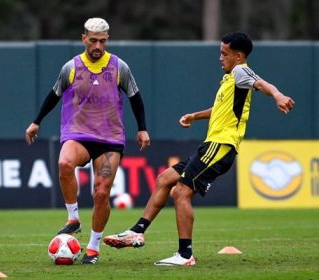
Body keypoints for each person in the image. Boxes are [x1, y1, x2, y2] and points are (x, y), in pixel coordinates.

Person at [103, 31, 295, 266]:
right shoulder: (230, 79)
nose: (220, 58)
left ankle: (185, 255)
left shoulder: (240, 71)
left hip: (221, 146)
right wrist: (195, 116)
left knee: (181, 192)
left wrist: (278, 95)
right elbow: (221, 109)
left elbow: (263, 84)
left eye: (224, 53)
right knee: (165, 179)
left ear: (238, 55)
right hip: (211, 145)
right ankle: (137, 230)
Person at [25, 17, 150, 265]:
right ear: (84, 39)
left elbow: (136, 97)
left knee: (101, 193)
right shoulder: (70, 67)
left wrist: (142, 129)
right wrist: (36, 121)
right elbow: (54, 95)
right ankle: (73, 218)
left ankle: (93, 248)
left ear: (107, 40)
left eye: (102, 41)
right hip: (78, 134)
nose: (97, 46)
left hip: (110, 141)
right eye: (93, 41)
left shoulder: (119, 67)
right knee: (64, 164)